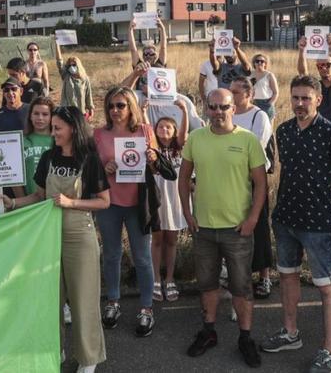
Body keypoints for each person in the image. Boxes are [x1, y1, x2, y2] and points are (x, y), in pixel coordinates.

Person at [0, 106, 109, 373]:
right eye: (53, 128)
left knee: (84, 300)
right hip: (47, 236)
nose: (53, 132)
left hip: (79, 236)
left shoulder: (90, 160)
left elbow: (104, 202)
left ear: (73, 129)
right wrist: (12, 202)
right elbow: (38, 196)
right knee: (51, 299)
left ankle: (88, 357)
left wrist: (73, 202)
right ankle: (53, 349)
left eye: (57, 128)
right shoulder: (48, 157)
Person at [262, 75, 331, 373]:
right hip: (286, 219)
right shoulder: (284, 130)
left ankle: (329, 351)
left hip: (318, 224)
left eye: (305, 98)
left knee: (328, 286)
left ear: (318, 99)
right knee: (287, 277)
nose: (299, 103)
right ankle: (290, 334)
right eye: (295, 98)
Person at [178, 89, 269, 367]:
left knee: (241, 286)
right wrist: (186, 212)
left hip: (237, 229)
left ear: (234, 108)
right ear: (206, 108)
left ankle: (245, 337)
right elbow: (183, 178)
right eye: (213, 107)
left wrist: (253, 218)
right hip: (203, 228)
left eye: (224, 107)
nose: (218, 112)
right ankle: (208, 332)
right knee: (207, 284)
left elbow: (261, 184)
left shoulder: (248, 140)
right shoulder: (195, 138)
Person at [92, 87, 163, 337]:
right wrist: (105, 167)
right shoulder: (99, 134)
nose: (115, 110)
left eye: (120, 105)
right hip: (109, 203)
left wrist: (153, 157)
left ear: (131, 106)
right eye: (111, 105)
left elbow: (155, 169)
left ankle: (146, 308)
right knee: (111, 254)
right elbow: (92, 169)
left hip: (137, 204)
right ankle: (113, 301)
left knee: (142, 257)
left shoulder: (145, 131)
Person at [230, 76, 275, 300]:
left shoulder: (260, 116)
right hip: (230, 181)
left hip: (252, 180)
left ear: (249, 95)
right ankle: (239, 275)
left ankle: (264, 275)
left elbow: (257, 147)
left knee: (258, 226)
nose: (232, 96)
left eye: (236, 92)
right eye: (231, 91)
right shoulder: (226, 114)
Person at [150, 113, 187, 303]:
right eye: (160, 127)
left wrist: (185, 111)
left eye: (169, 127)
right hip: (157, 201)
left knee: (172, 240)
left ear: (175, 132)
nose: (164, 130)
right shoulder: (151, 151)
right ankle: (156, 278)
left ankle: (170, 278)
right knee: (156, 240)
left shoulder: (181, 151)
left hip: (175, 201)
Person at [296, 33, 331, 132]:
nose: (324, 68)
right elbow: (303, 74)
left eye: (328, 65)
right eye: (320, 66)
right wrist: (301, 50)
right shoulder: (316, 87)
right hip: (318, 136)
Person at [22, 97, 56, 197]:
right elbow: (15, 175)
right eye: (36, 113)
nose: (40, 118)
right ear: (30, 116)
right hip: (29, 201)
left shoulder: (58, 140)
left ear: (52, 117)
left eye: (45, 114)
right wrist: (23, 201)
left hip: (54, 201)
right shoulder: (22, 141)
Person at [53, 42, 94, 119]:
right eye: (70, 65)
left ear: (78, 65)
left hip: (81, 112)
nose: (72, 67)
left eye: (74, 65)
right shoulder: (66, 77)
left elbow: (88, 94)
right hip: (67, 112)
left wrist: (90, 107)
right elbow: (59, 62)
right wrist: (57, 44)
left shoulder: (85, 79)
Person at [251, 53, 280, 120]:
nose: (259, 63)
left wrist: (270, 104)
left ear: (265, 64)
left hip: (266, 102)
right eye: (257, 61)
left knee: (267, 128)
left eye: (262, 61)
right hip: (254, 103)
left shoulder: (269, 75)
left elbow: (276, 92)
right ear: (254, 63)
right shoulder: (250, 74)